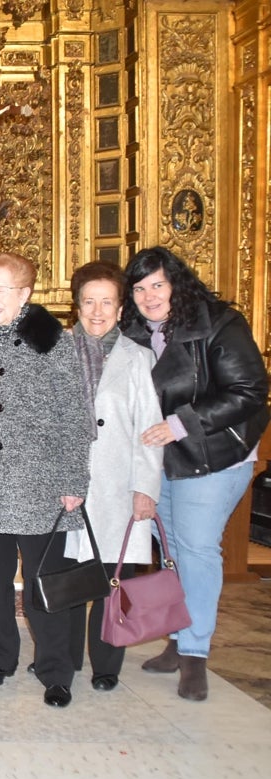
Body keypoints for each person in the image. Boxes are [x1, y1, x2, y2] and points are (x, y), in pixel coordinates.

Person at [120, 246, 269, 701]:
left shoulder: (219, 322)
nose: (149, 297)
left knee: (198, 549)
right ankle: (178, 641)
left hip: (214, 454)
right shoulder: (134, 332)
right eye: (140, 289)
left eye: (157, 285)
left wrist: (180, 423)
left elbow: (249, 390)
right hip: (159, 459)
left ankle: (196, 655)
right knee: (173, 550)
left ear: (177, 283)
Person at [0, 252, 92, 708]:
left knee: (41, 586)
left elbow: (74, 413)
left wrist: (74, 478)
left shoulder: (50, 338)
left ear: (25, 294)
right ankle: (0, 659)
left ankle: (55, 670)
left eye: (1, 290)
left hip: (40, 482)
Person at [62, 261, 163, 691]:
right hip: (65, 485)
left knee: (112, 581)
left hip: (119, 486)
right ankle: (60, 660)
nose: (97, 311)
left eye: (107, 302)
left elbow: (150, 427)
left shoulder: (138, 358)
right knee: (66, 579)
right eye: (89, 301)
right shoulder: (57, 349)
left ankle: (106, 666)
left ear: (121, 309)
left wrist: (146, 489)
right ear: (77, 306)